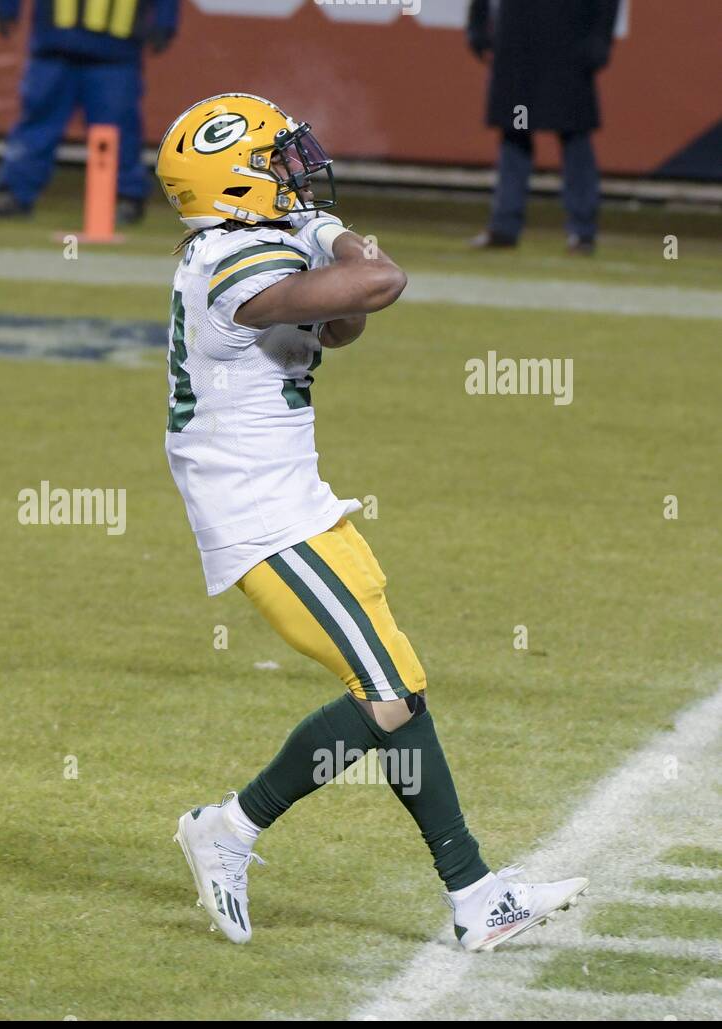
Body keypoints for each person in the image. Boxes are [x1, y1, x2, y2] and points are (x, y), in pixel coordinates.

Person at [156, 93, 588, 949]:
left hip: (298, 504)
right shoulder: (227, 263)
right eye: (278, 158)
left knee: (400, 690)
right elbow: (380, 283)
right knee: (386, 693)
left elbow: (343, 326)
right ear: (236, 179)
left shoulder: (248, 245)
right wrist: (334, 235)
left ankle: (474, 897)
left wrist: (316, 235)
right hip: (262, 518)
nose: (296, 169)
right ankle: (229, 828)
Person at [0, 0, 179, 224]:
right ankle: (15, 193)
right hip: (56, 44)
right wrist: (7, 7)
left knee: (116, 132)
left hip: (114, 50)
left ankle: (126, 197)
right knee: (38, 123)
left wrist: (166, 20)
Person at [467, 0, 621, 254]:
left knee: (574, 135)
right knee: (515, 133)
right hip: (517, 44)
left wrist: (600, 38)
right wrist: (477, 26)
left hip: (571, 44)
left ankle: (582, 231)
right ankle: (505, 225)